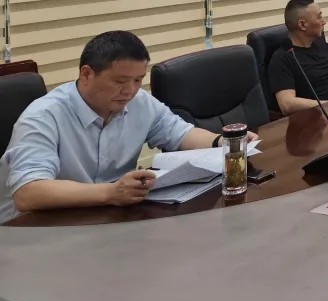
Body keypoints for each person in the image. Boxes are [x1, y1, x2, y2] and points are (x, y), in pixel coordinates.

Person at [0, 31, 240, 223]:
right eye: (120, 81)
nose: (130, 91)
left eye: (138, 80)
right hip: (34, 230)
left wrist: (226, 142)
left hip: (103, 219)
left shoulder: (139, 102)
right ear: (86, 74)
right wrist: (111, 192)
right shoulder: (43, 117)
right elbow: (28, 193)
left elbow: (180, 133)